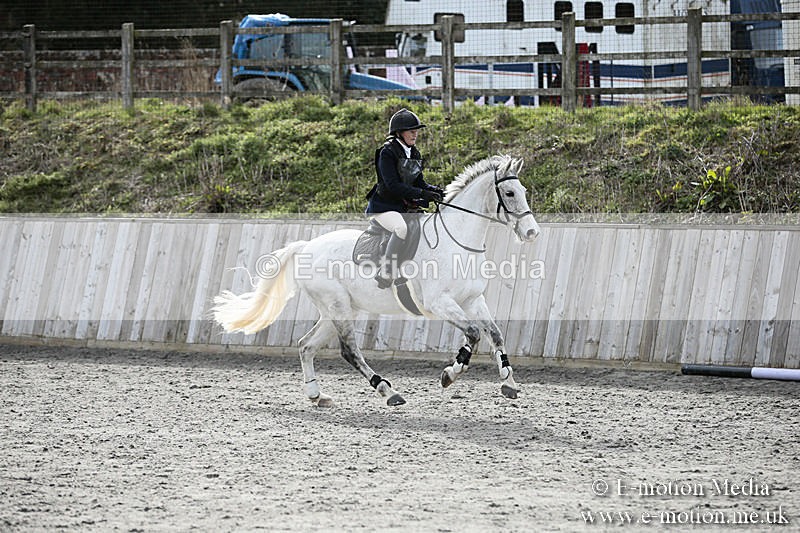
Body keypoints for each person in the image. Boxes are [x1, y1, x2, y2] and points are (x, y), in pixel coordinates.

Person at [366, 108, 443, 289]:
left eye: (416, 131)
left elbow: (419, 182)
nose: (415, 134)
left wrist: (437, 191)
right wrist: (422, 194)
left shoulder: (414, 153)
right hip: (385, 206)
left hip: (403, 207)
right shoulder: (387, 152)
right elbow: (393, 185)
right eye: (411, 131)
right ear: (399, 133)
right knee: (401, 228)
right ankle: (387, 270)